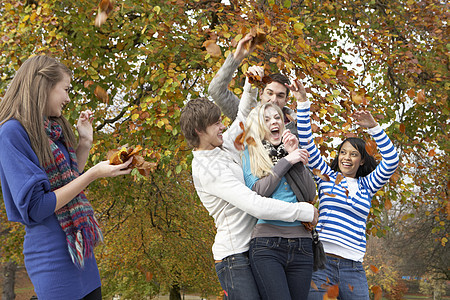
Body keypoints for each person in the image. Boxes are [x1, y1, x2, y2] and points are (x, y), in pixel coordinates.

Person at [0, 55, 133, 300]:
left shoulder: (50, 129)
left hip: (82, 255)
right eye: (66, 89)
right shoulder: (11, 133)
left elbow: (68, 182)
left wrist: (84, 143)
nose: (68, 98)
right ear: (44, 86)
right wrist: (94, 173)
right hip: (53, 259)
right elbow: (38, 207)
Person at [180, 96, 318, 300]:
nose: (222, 126)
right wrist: (304, 211)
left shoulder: (221, 147)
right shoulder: (210, 169)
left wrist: (250, 82)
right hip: (234, 257)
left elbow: (243, 117)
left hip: (252, 247)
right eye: (216, 123)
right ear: (199, 131)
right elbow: (255, 204)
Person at [291, 79, 399, 299]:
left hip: (353, 268)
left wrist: (374, 128)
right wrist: (302, 102)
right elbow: (307, 142)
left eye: (353, 154)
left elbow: (392, 160)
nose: (347, 157)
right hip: (322, 263)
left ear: (361, 161)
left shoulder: (368, 185)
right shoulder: (327, 176)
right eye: (343, 152)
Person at [241, 102, 317, 300]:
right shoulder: (251, 154)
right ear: (259, 127)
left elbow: (309, 195)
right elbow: (258, 192)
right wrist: (287, 161)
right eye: (266, 119)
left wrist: (297, 160)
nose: (273, 122)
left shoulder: (292, 150)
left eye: (276, 117)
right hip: (267, 244)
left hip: (302, 243)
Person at [208, 33, 297, 133]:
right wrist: (237, 57)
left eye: (280, 96)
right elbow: (216, 90)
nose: (273, 100)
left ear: (286, 100)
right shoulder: (245, 113)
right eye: (270, 93)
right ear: (261, 94)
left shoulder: (296, 125)